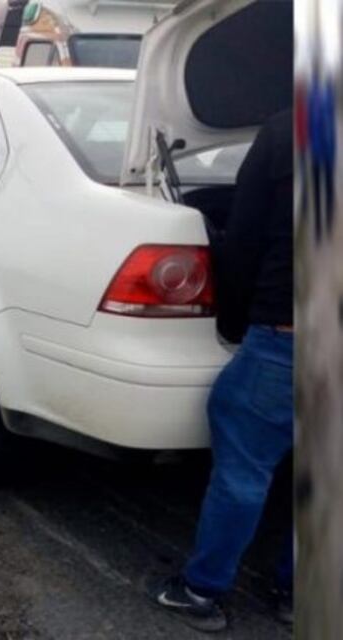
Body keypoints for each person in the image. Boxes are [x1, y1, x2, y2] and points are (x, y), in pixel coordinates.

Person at [149, 109, 293, 632]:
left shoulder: (286, 132)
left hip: (289, 335)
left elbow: (245, 242)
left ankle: (201, 591)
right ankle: (296, 593)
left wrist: (235, 320)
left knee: (244, 470)